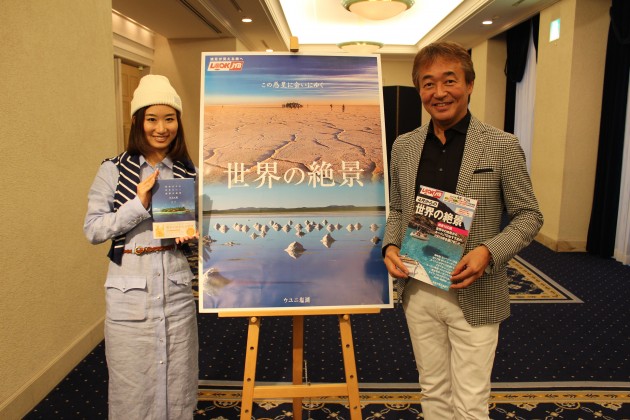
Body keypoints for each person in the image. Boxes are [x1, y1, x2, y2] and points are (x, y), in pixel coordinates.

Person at [382, 42, 543, 419]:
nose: (439, 92)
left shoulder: (502, 145)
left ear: (469, 84)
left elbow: (528, 215)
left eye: (449, 80)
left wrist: (489, 252)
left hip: (475, 290)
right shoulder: (404, 146)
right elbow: (400, 209)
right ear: (419, 91)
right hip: (418, 288)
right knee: (433, 389)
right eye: (428, 84)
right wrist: (390, 246)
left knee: (470, 401)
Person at [84, 75, 199, 419]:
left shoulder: (188, 172)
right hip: (129, 287)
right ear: (137, 121)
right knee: (132, 382)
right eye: (152, 119)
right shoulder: (113, 170)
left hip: (176, 286)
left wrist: (193, 232)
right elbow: (93, 229)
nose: (161, 128)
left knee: (179, 377)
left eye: (169, 119)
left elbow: (202, 228)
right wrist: (138, 204)